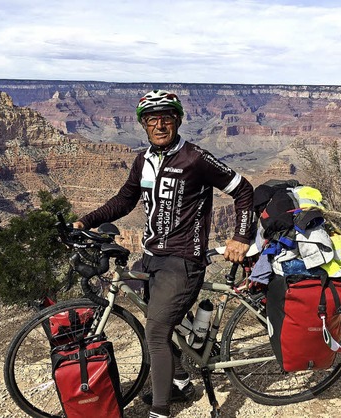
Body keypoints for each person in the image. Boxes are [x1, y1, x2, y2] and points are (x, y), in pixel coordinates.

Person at [73, 89, 254, 418]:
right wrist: (86, 220)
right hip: (152, 257)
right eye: (152, 119)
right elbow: (124, 200)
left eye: (166, 118)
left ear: (177, 121)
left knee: (156, 330)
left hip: (184, 261)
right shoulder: (143, 160)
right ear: (143, 124)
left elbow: (242, 189)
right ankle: (181, 381)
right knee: (155, 317)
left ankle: (160, 411)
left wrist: (241, 235)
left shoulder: (195, 159)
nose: (159, 125)